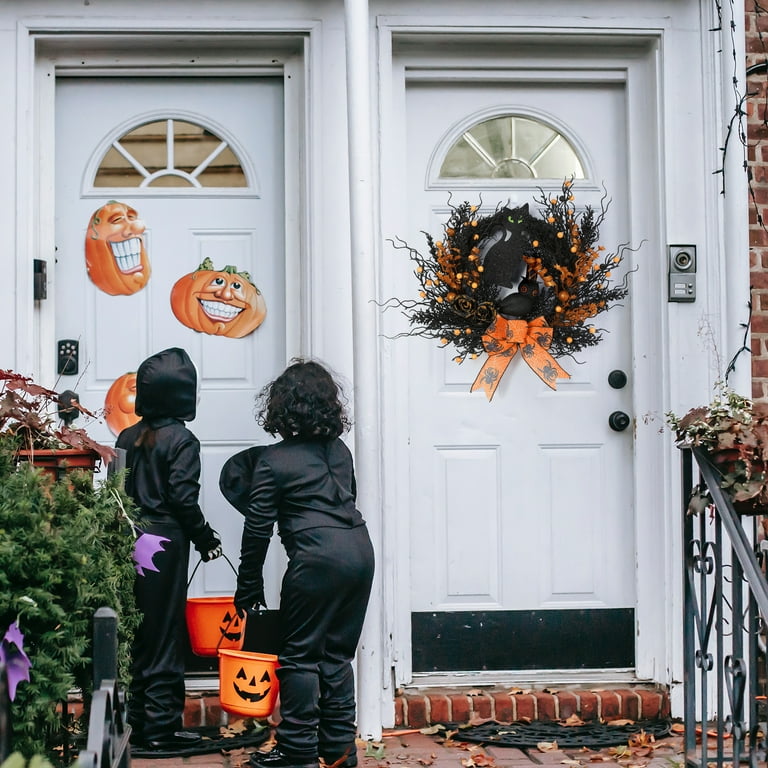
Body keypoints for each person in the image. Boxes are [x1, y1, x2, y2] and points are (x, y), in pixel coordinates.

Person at [231, 359, 375, 768]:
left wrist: (248, 586)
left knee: (298, 656)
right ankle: (339, 752)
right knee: (336, 656)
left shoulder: (273, 461)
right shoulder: (340, 451)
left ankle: (296, 753)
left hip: (316, 560)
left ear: (281, 407)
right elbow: (350, 497)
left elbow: (256, 530)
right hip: (360, 553)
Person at [116, 347, 222, 750]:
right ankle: (160, 728)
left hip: (130, 540)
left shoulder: (127, 436)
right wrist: (206, 538)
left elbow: (118, 491)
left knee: (142, 631)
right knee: (165, 632)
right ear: (183, 395)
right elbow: (182, 498)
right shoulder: (182, 440)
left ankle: (139, 720)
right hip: (164, 543)